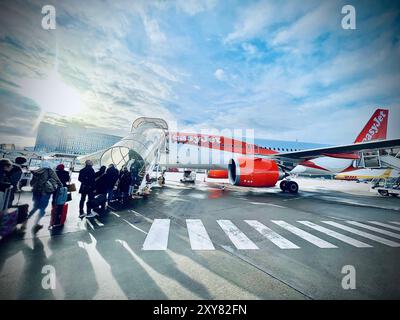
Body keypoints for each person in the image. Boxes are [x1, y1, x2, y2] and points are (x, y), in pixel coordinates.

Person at [24, 161, 62, 231]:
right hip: (45, 192)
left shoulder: (37, 171)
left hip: (36, 192)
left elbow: (32, 183)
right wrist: (60, 185)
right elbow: (57, 179)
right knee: (42, 208)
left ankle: (26, 220)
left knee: (35, 207)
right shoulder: (50, 171)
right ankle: (36, 223)